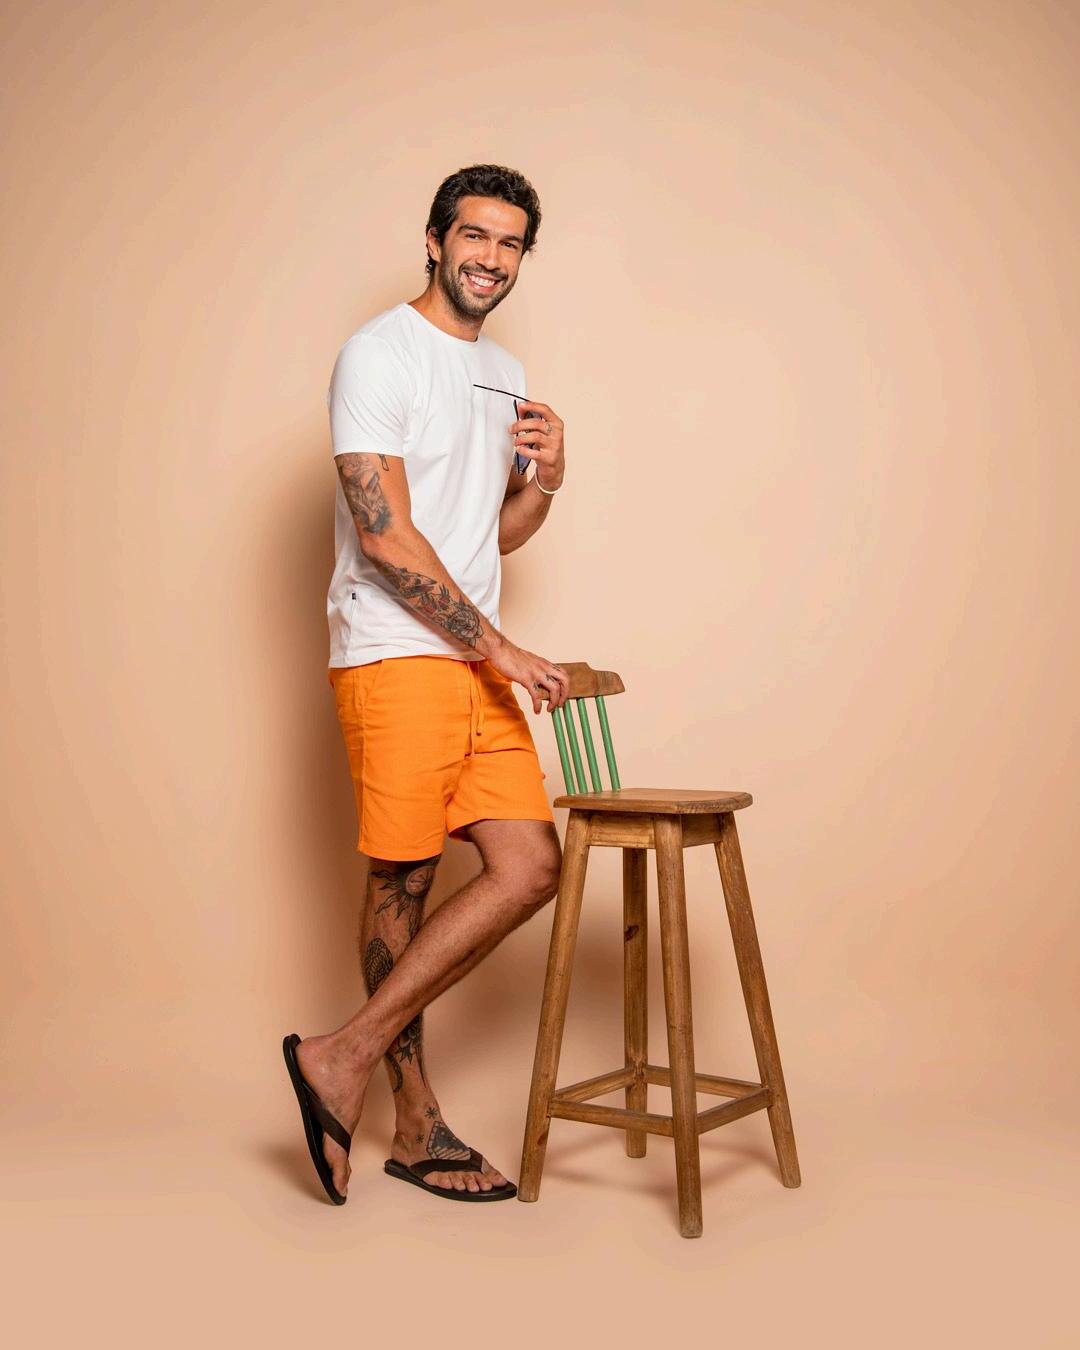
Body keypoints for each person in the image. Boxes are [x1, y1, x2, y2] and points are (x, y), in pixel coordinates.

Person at [283, 164, 569, 1206]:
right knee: (402, 879)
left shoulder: (505, 370)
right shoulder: (378, 353)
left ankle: (341, 1054)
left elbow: (489, 535)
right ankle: (415, 1124)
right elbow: (385, 534)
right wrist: (501, 648)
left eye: (510, 243)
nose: (491, 258)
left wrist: (548, 479)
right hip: (394, 653)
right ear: (437, 240)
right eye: (475, 236)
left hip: (473, 657)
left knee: (528, 867)